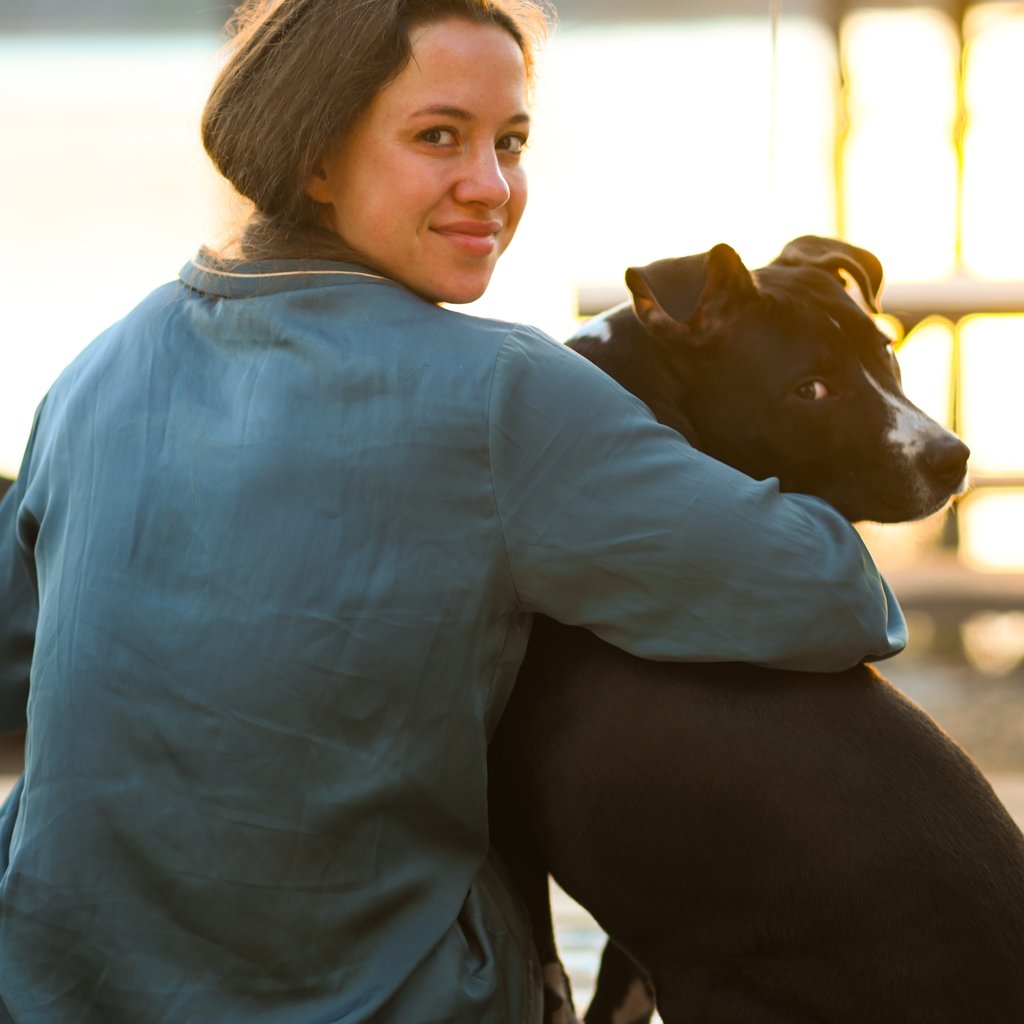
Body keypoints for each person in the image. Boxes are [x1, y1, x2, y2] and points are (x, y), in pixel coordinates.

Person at [0, 1, 906, 1021]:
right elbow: (835, 596)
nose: (492, 186)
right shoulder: (500, 392)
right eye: (440, 137)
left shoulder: (96, 367)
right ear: (315, 156)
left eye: (511, 142)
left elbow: (16, 662)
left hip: (45, 990)